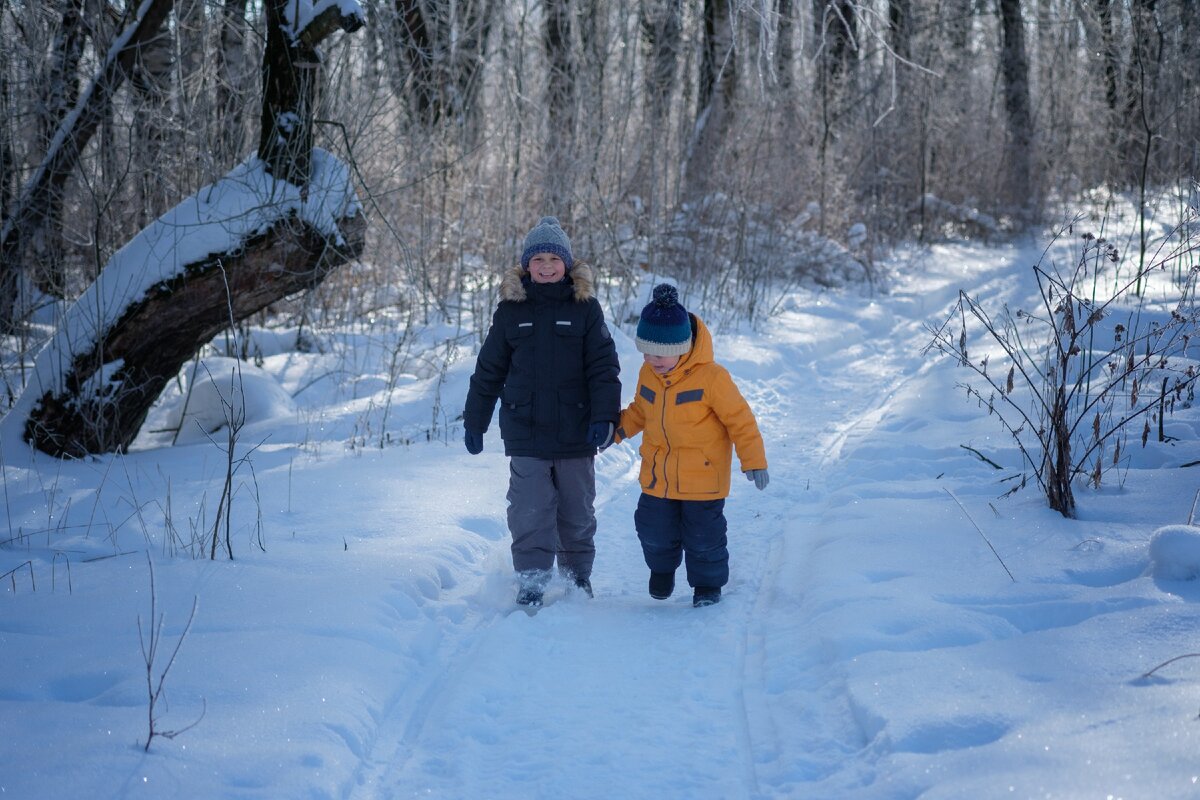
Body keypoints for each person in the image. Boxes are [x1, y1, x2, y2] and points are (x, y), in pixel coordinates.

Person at [462, 217, 621, 607]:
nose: (546, 266)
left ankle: (576, 577)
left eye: (554, 258)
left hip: (576, 431)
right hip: (526, 429)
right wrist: (475, 420)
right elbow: (489, 371)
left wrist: (606, 417)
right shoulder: (510, 311)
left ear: (566, 263)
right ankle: (531, 578)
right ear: (526, 265)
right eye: (538, 259)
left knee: (576, 510)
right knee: (529, 508)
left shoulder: (586, 310)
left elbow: (604, 368)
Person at [611, 283, 768, 607]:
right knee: (652, 529)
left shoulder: (712, 378)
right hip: (658, 476)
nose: (652, 360)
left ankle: (707, 586)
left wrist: (754, 460)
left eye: (661, 354)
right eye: (646, 351)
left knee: (704, 538)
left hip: (704, 479)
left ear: (682, 347)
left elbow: (740, 420)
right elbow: (641, 410)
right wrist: (615, 432)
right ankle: (662, 570)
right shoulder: (648, 373)